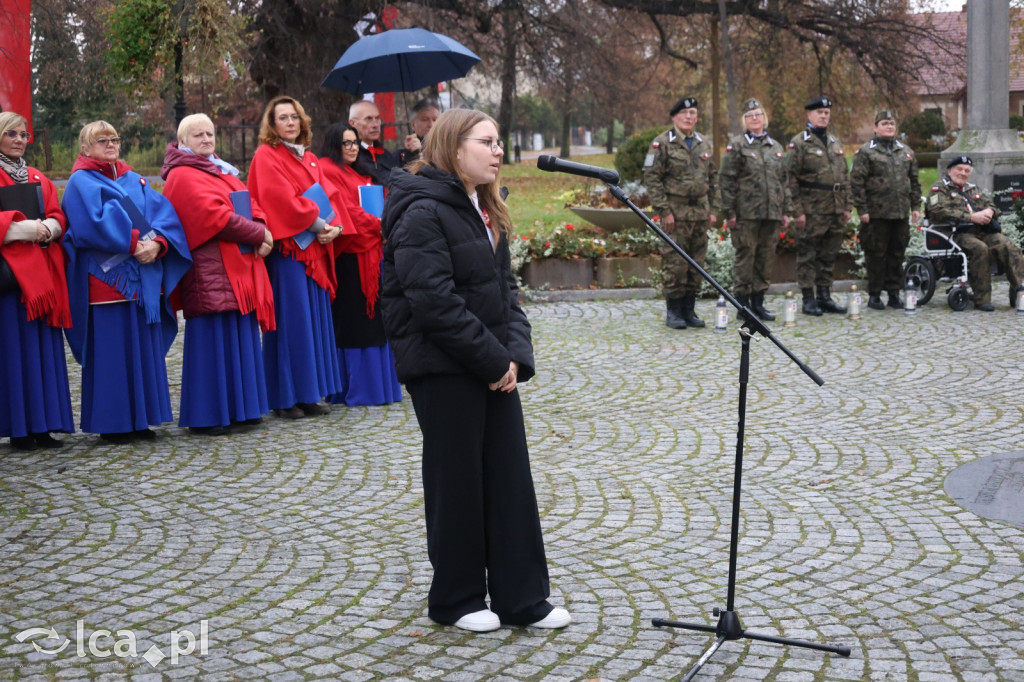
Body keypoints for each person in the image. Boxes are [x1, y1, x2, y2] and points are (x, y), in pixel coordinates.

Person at [380, 108, 570, 633]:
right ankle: (457, 599)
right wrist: (492, 359)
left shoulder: (485, 206)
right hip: (442, 369)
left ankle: (522, 598)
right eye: (487, 142)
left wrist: (514, 357)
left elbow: (507, 291)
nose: (498, 151)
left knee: (509, 478)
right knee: (457, 481)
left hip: (491, 363)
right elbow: (432, 301)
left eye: (499, 142)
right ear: (453, 147)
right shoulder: (420, 209)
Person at [61, 120, 191, 444]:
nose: (110, 145)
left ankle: (143, 419)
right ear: (84, 147)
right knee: (112, 355)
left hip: (143, 282)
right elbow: (89, 224)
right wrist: (135, 242)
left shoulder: (136, 180)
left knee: (143, 351)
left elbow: (166, 216)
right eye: (101, 140)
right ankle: (113, 423)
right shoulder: (80, 182)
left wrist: (159, 243)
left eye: (114, 139)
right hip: (107, 285)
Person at [161, 113, 277, 435]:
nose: (206, 140)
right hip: (208, 268)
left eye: (210, 134)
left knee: (240, 335)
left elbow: (250, 203)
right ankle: (208, 415)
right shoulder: (182, 175)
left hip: (237, 267)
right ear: (183, 141)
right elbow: (216, 217)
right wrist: (259, 234)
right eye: (198, 135)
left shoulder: (220, 170)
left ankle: (243, 409)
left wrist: (263, 227)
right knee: (212, 340)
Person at [247, 96, 346, 419]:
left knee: (313, 322)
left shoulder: (311, 158)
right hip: (290, 252)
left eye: (295, 117)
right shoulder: (266, 156)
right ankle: (284, 397)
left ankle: (309, 393)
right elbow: (279, 200)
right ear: (272, 125)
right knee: (292, 322)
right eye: (283, 118)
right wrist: (320, 224)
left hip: (314, 248)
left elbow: (331, 196)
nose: (290, 123)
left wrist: (335, 227)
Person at [0, 111, 74, 451]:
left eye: (23, 134)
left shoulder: (36, 176)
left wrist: (52, 228)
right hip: (10, 282)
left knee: (43, 351)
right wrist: (22, 228)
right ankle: (18, 427)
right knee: (14, 352)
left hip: (42, 278)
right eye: (11, 133)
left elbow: (58, 213)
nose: (18, 139)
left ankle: (44, 425)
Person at [318, 123, 402, 406]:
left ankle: (378, 387)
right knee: (355, 321)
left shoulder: (354, 171)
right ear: (333, 144)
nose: (353, 148)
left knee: (373, 319)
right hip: (350, 255)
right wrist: (378, 224)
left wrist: (381, 221)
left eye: (355, 143)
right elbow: (346, 210)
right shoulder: (328, 170)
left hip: (370, 251)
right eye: (346, 143)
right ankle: (358, 388)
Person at [643, 96, 719, 329]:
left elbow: (714, 178)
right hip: (674, 215)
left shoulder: (704, 143)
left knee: (696, 264)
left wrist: (714, 210)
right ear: (674, 117)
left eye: (693, 114)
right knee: (675, 264)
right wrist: (664, 211)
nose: (689, 118)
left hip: (699, 214)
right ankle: (674, 312)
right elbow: (652, 178)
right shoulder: (662, 143)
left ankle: (689, 310)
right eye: (684, 114)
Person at [719, 99, 793, 322]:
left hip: (771, 213)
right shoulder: (737, 146)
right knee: (745, 258)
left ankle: (758, 303)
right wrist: (729, 212)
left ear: (764, 118)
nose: (755, 118)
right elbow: (727, 181)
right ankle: (743, 305)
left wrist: (786, 210)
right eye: (750, 115)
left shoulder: (776, 147)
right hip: (746, 214)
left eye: (758, 114)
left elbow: (783, 181)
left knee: (765, 258)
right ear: (745, 120)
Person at [925, 155, 1024, 311]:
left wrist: (990, 211)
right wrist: (970, 217)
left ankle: (1019, 290)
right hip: (954, 234)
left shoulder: (973, 189)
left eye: (967, 170)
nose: (963, 173)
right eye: (959, 169)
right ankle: (982, 299)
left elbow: (993, 205)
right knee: (980, 248)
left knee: (1007, 245)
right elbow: (936, 211)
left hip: (981, 231)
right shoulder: (939, 188)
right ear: (950, 170)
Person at [785, 96, 851, 316]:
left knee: (828, 255)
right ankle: (808, 298)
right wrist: (797, 210)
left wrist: (847, 206)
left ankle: (824, 296)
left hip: (835, 208)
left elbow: (844, 176)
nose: (824, 116)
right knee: (808, 255)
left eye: (826, 113)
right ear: (809, 115)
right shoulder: (800, 143)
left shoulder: (835, 142)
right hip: (811, 210)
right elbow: (790, 179)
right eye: (819, 112)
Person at [850, 110, 922, 310]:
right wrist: (862, 209)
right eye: (884, 123)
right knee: (876, 255)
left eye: (891, 123)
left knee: (897, 254)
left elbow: (914, 181)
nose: (889, 126)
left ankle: (893, 293)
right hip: (876, 214)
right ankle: (874, 294)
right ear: (875, 127)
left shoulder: (906, 152)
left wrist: (915, 206)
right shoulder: (866, 151)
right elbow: (857, 182)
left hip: (900, 213)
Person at [349, 100, 395, 185]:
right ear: (353, 123)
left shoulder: (386, 154)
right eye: (368, 119)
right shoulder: (350, 157)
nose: (375, 125)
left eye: (377, 118)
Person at [392, 98, 440, 168]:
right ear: (413, 124)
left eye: (435, 120)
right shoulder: (401, 154)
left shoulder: (446, 149)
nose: (431, 125)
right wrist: (413, 154)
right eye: (425, 120)